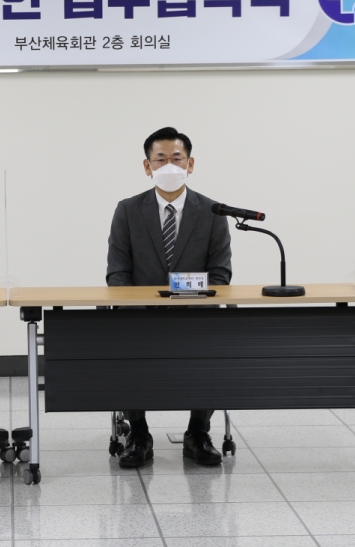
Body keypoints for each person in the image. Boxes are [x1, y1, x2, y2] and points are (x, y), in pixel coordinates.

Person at [106, 127, 233, 468]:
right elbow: (117, 273)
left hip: (195, 314)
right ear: (147, 166)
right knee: (125, 350)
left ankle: (198, 433)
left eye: (177, 158)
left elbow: (220, 275)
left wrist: (183, 300)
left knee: (212, 352)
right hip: (139, 315)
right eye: (160, 159)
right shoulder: (128, 210)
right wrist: (138, 304)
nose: (169, 166)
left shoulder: (213, 212)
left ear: (190, 164)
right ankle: (138, 434)